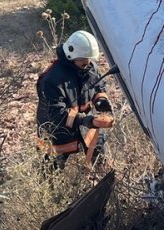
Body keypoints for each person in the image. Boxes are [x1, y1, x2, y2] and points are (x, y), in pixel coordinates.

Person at [36, 30, 114, 170]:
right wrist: (87, 120)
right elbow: (57, 115)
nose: (88, 64)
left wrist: (101, 100)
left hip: (85, 126)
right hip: (57, 133)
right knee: (50, 173)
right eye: (84, 61)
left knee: (101, 163)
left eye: (90, 60)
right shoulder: (52, 80)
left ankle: (99, 181)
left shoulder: (88, 67)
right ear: (71, 56)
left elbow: (98, 86)